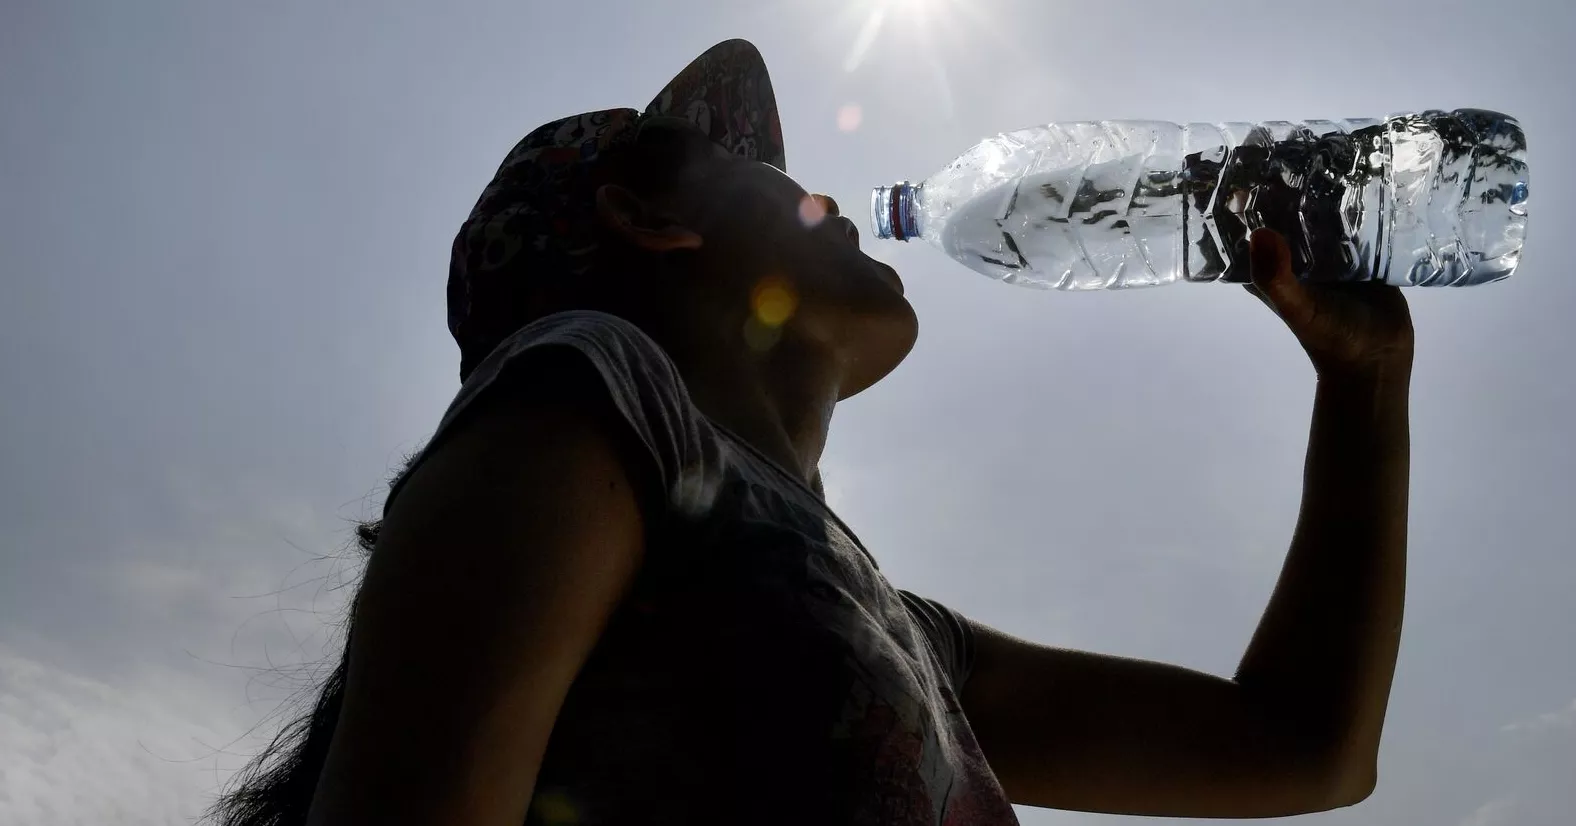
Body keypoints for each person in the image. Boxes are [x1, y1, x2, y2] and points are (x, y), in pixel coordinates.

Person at [212, 39, 1413, 826]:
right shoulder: (589, 398)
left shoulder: (899, 634)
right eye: (766, 174)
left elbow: (1303, 748)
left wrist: (1362, 382)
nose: (830, 207)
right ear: (649, 216)